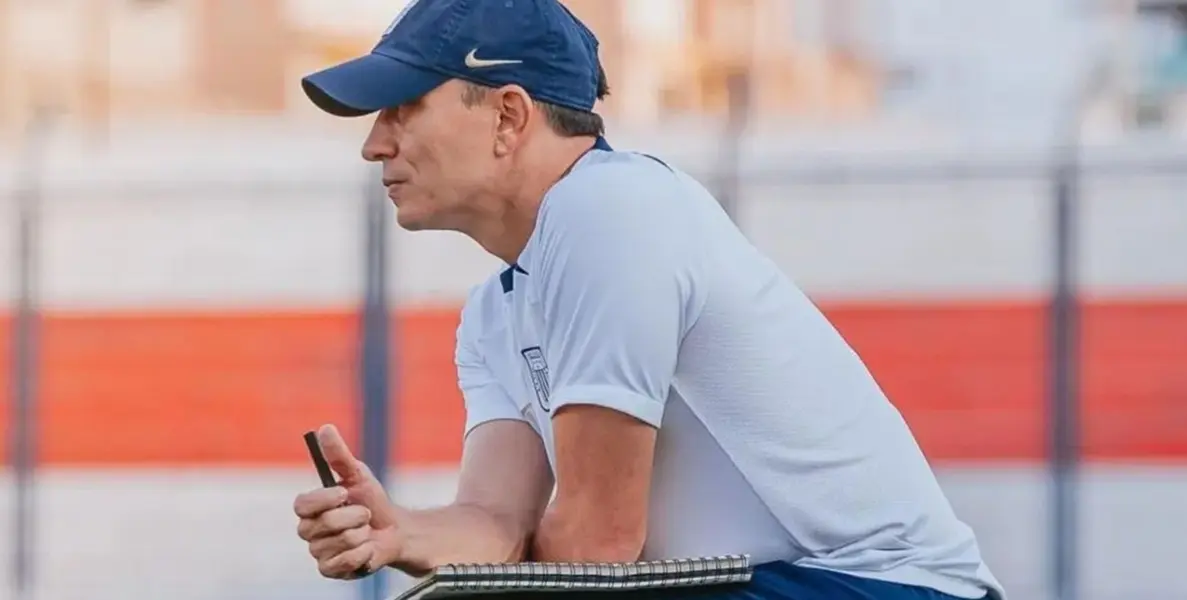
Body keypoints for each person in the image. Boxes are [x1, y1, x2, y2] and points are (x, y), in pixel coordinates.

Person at [291, 1, 1006, 599]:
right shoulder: (494, 311)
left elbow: (597, 546)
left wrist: (486, 567)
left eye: (403, 107)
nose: (374, 144)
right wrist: (401, 532)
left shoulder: (607, 209)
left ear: (509, 116)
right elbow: (497, 522)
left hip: (875, 587)